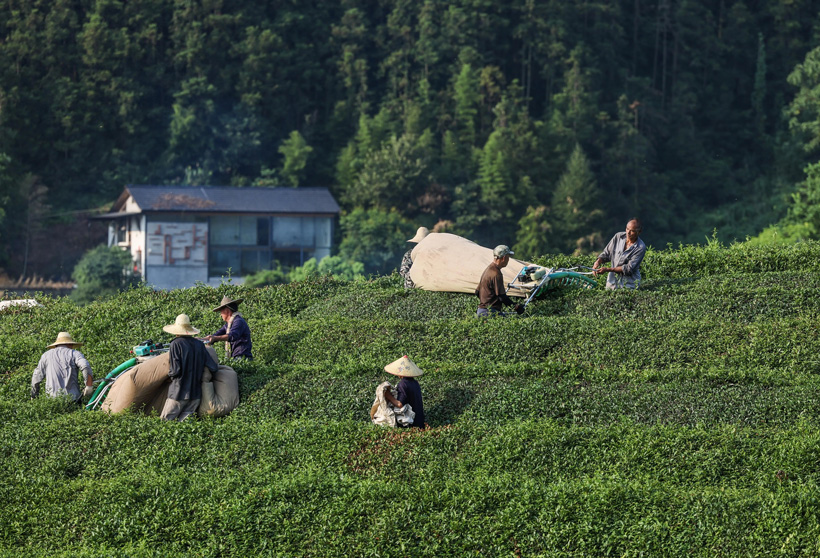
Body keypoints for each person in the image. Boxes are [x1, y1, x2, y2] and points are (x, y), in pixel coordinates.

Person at [161, 314, 218, 421]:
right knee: (186, 426)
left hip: (178, 393)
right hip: (195, 395)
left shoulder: (175, 344)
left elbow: (175, 370)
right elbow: (213, 367)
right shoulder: (200, 345)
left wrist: (169, 377)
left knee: (165, 422)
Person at [31, 332, 94, 404]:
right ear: (70, 344)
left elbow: (36, 376)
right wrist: (89, 385)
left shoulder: (46, 355)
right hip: (73, 399)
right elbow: (85, 366)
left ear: (56, 345)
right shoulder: (74, 353)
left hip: (52, 401)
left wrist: (34, 395)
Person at [593, 219, 647, 290]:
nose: (628, 232)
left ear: (639, 232)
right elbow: (607, 253)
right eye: (627, 229)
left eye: (632, 231)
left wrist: (608, 269)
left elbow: (628, 269)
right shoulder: (618, 237)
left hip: (629, 285)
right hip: (611, 283)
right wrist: (598, 261)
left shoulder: (640, 247)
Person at [475, 245, 525, 317]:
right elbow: (502, 297)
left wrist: (485, 302)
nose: (508, 260)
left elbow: (477, 292)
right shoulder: (496, 274)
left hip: (480, 311)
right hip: (490, 312)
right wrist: (517, 307)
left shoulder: (488, 270)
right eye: (508, 257)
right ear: (504, 258)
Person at [382, 355, 426, 429]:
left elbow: (400, 404)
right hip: (419, 421)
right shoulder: (415, 383)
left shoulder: (403, 384)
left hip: (410, 422)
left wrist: (388, 395)